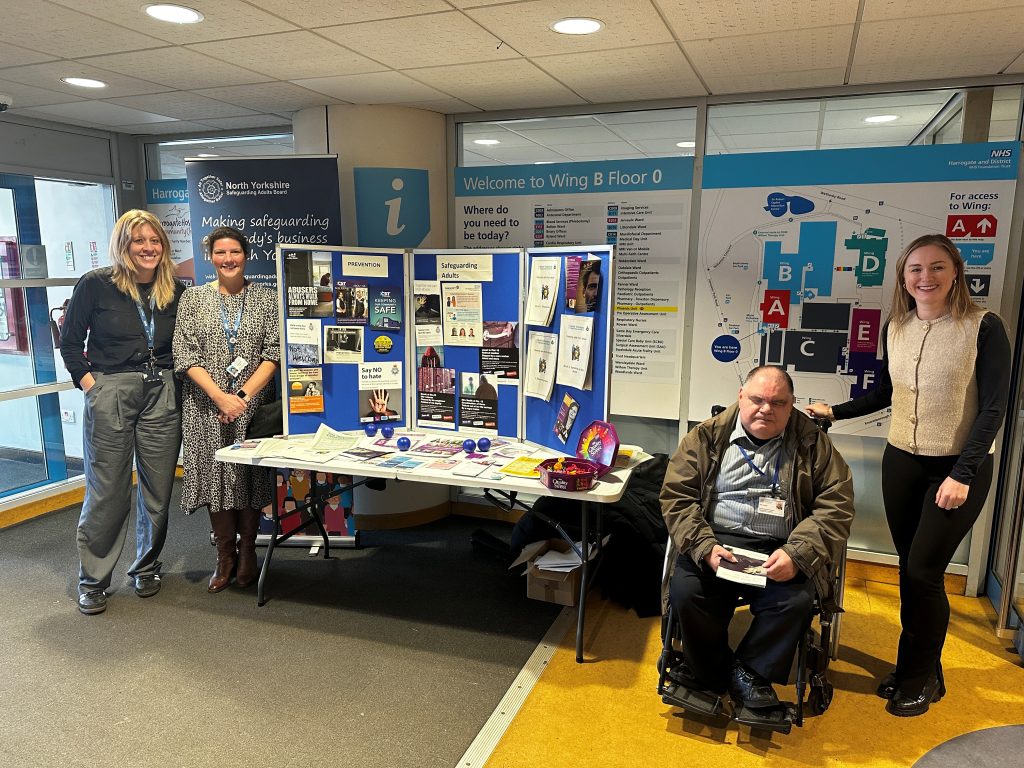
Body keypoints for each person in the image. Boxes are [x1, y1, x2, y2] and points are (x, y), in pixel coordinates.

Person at [806, 233, 1010, 717]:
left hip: (959, 467)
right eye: (916, 269)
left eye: (937, 267)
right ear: (903, 277)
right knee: (909, 570)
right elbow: (885, 392)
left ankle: (920, 677)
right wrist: (834, 411)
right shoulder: (896, 326)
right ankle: (920, 664)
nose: (926, 277)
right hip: (902, 461)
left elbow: (994, 408)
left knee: (924, 573)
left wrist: (963, 473)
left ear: (955, 272)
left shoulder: (983, 327)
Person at [660, 366, 854, 712]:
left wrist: (798, 554)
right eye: (758, 400)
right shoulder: (705, 438)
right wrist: (704, 547)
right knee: (688, 591)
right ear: (740, 397)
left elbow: (836, 505)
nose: (767, 409)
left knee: (794, 600)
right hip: (715, 539)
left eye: (778, 403)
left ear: (792, 404)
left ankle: (749, 671)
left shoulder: (812, 443)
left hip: (781, 545)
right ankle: (709, 670)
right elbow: (677, 497)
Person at [60, 210, 186, 615]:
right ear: (123, 245)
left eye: (154, 240)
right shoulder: (96, 285)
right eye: (138, 241)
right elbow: (69, 342)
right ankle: (93, 581)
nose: (148, 248)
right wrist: (90, 385)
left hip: (162, 390)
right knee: (107, 490)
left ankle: (146, 566)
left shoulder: (175, 290)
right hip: (110, 387)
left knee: (159, 490)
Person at [173, 226, 281, 593]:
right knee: (214, 477)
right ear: (211, 257)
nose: (228, 259)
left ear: (246, 255)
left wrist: (241, 398)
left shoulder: (267, 299)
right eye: (220, 253)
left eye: (234, 252)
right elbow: (185, 355)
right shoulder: (193, 299)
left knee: (248, 478)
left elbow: (274, 354)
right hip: (205, 408)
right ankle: (225, 556)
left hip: (252, 408)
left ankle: (248, 550)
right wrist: (220, 397)